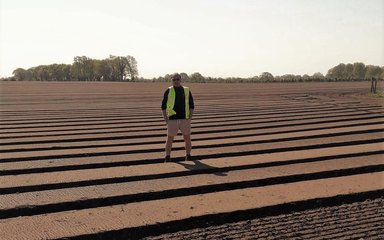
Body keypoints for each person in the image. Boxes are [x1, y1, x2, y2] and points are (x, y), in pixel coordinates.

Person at [161, 73, 194, 162]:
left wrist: (189, 118)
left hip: (184, 119)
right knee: (169, 138)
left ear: (180, 80)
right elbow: (163, 106)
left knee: (187, 138)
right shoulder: (168, 91)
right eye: (174, 79)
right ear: (171, 80)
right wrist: (166, 119)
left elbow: (191, 105)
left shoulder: (186, 90)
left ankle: (188, 155)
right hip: (172, 119)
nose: (176, 81)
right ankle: (167, 157)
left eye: (177, 79)